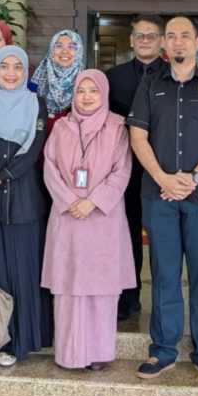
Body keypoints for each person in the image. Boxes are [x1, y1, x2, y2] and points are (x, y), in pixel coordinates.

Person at [127, 15, 198, 383]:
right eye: (172, 36)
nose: (178, 42)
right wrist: (163, 177)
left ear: (197, 42)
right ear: (164, 43)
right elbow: (137, 136)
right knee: (164, 273)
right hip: (159, 195)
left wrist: (193, 178)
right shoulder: (149, 84)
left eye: (185, 36)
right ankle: (163, 350)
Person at [42, 70, 134, 370]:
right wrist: (70, 201)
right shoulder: (61, 128)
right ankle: (68, 354)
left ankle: (98, 353)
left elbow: (121, 171)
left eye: (93, 91)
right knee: (68, 288)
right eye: (81, 91)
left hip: (102, 220)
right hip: (67, 218)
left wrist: (92, 201)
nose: (86, 97)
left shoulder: (117, 127)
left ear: (103, 94)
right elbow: (50, 169)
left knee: (100, 289)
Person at [0, 45, 51, 366]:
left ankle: (18, 341)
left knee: (21, 273)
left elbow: (31, 152)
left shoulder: (36, 104)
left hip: (25, 202)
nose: (11, 73)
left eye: (18, 67)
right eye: (5, 66)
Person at [105, 14, 166, 321]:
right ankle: (128, 298)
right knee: (126, 234)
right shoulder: (112, 78)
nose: (145, 41)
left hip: (163, 171)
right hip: (123, 171)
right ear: (131, 41)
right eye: (140, 35)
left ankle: (164, 304)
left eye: (151, 36)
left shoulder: (175, 75)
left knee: (163, 238)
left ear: (162, 41)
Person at [31, 29, 85, 125]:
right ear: (51, 50)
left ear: (79, 51)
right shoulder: (36, 80)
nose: (64, 51)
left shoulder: (85, 82)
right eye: (59, 46)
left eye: (71, 47)